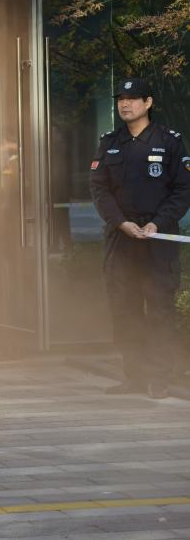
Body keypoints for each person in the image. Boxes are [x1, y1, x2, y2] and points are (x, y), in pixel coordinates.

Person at [90, 78, 190, 399]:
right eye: (121, 98)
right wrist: (120, 222)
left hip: (158, 240)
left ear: (148, 103)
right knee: (125, 308)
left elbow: (183, 190)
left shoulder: (169, 142)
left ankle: (160, 377)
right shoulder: (110, 142)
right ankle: (134, 376)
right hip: (122, 239)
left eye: (133, 98)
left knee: (160, 309)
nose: (125, 103)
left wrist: (158, 223)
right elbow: (99, 189)